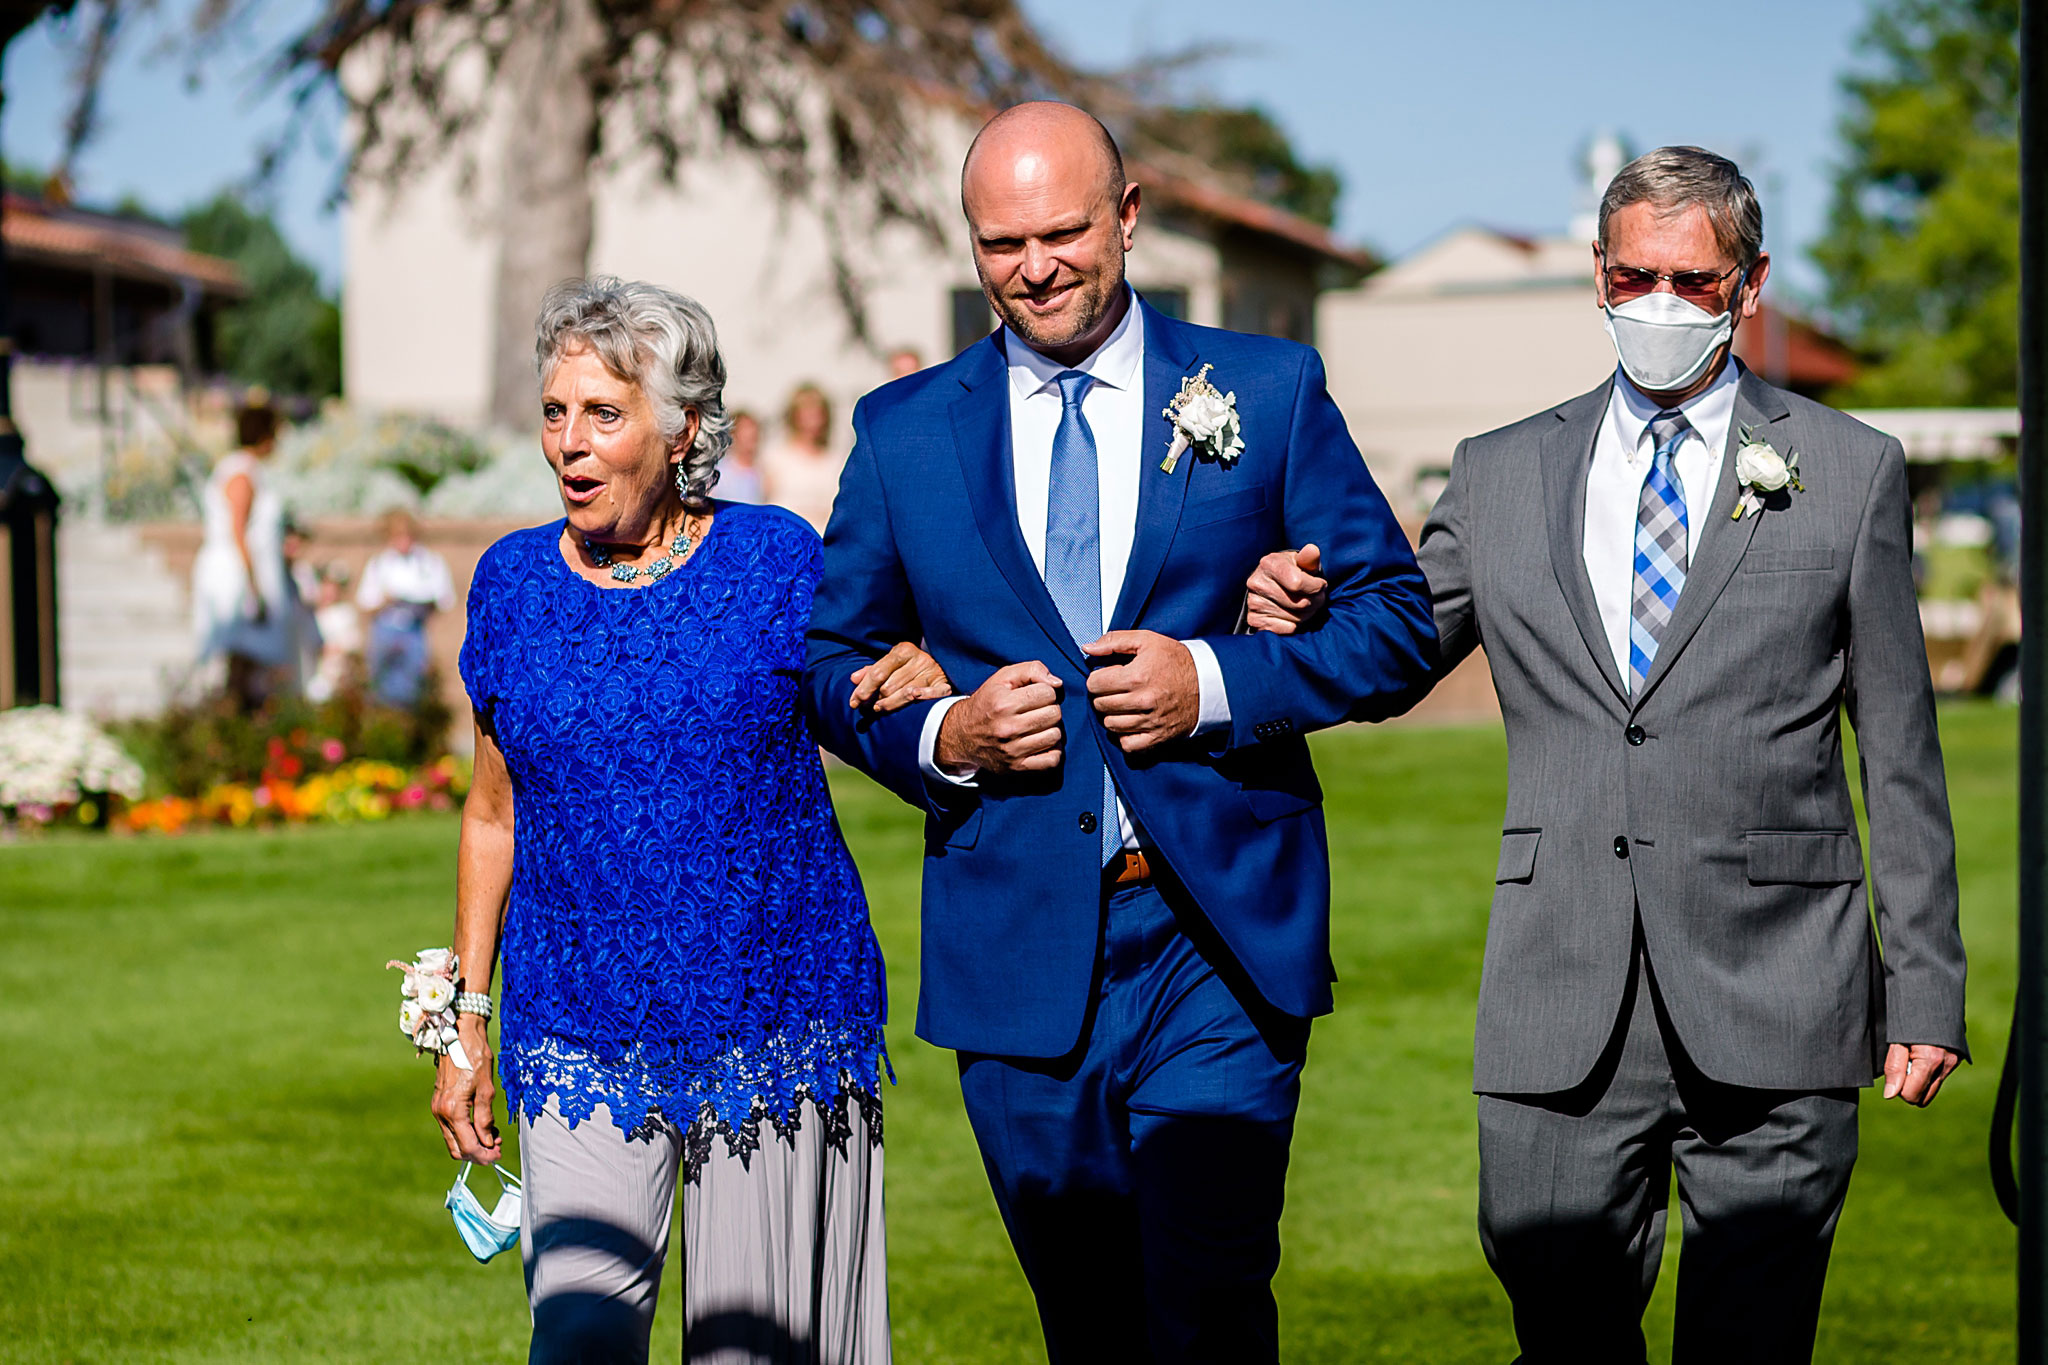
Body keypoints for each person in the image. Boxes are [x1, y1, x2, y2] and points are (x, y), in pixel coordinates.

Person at [1247, 146, 1968, 1364]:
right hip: (1557, 993)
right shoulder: (1496, 472)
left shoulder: (1848, 472)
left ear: (1748, 286)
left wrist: (1927, 983)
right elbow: (1392, 653)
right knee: (1560, 1334)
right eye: (1634, 275)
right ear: (1595, 272)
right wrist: (1292, 614)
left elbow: (1896, 746)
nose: (1659, 306)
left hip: (1779, 990)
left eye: (1692, 283)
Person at [802, 103, 1436, 1362]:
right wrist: (948, 737)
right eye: (1000, 243)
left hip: (1213, 938)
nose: (1033, 267)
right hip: (1017, 942)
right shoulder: (903, 430)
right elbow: (829, 665)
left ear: (1127, 218)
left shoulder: (1262, 387)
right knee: (1086, 1322)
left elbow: (1397, 623)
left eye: (1061, 232)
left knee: (1205, 1309)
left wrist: (1213, 682)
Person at [431, 276, 945, 1364]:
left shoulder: (774, 559)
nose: (569, 442)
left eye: (604, 415)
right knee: (574, 1345)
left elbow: (883, 679)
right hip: (575, 1035)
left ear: (683, 432)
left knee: (749, 1351)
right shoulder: (511, 583)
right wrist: (465, 1021)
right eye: (555, 412)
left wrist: (927, 672)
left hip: (772, 1022)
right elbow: (492, 812)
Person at [191, 394, 291, 709]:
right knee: (242, 656)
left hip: (239, 571)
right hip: (234, 575)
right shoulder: (241, 473)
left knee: (249, 660)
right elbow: (238, 529)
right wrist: (254, 584)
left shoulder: (248, 469)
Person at [356, 508, 454, 708]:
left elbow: (444, 599)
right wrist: (387, 600)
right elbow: (365, 602)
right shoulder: (379, 564)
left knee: (414, 687)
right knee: (380, 686)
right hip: (385, 628)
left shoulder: (429, 563)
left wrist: (422, 603)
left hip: (414, 628)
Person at [759, 382, 844, 533]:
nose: (813, 422)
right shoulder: (775, 457)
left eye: (818, 414)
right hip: (784, 541)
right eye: (807, 415)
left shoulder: (837, 460)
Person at [306, 562, 364, 704]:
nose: (329, 591)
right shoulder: (309, 614)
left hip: (334, 673)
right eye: (326, 585)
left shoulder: (346, 613)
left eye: (334, 587)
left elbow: (352, 644)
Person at [719, 408, 766, 503]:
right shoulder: (721, 472)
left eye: (753, 430)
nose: (751, 434)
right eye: (745, 430)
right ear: (733, 435)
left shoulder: (763, 471)